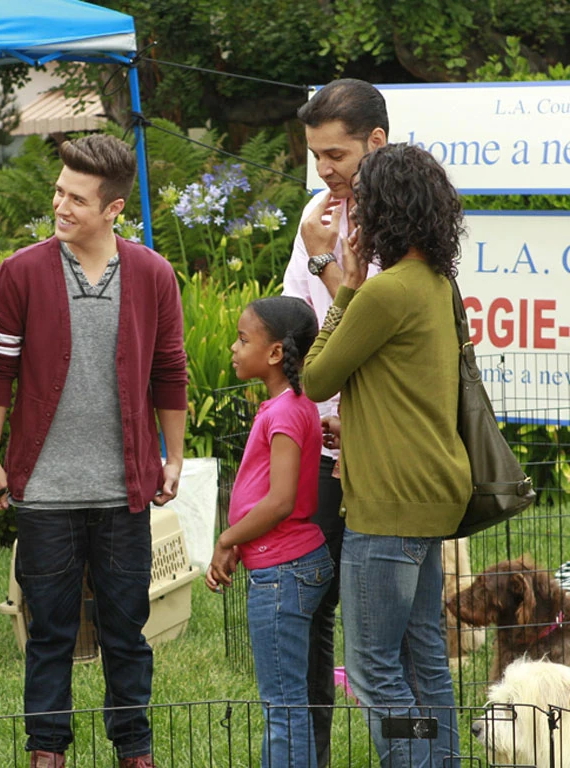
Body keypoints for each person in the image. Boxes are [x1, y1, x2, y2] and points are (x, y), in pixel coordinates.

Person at [0, 134, 188, 768]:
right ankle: (47, 751)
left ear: (114, 208)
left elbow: (170, 371)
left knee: (127, 631)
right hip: (45, 490)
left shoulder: (153, 275)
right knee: (49, 633)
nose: (60, 205)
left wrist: (172, 457)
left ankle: (134, 750)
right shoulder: (21, 272)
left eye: (76, 198)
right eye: (58, 191)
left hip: (126, 491)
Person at [302, 143, 472, 767]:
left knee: (374, 670)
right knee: (424, 658)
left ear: (383, 212)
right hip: (434, 495)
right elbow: (403, 389)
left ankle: (414, 762)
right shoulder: (437, 285)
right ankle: (439, 761)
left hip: (387, 505)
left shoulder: (384, 293)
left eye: (362, 205)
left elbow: (316, 377)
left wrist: (345, 284)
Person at [281, 77, 388, 768]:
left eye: (336, 154)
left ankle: (408, 753)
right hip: (319, 446)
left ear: (376, 142)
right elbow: (301, 321)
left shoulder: (405, 213)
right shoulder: (317, 214)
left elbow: (376, 324)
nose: (323, 169)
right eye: (315, 155)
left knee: (383, 631)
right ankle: (310, 754)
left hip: (382, 449)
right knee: (310, 610)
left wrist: (325, 262)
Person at [206, 296, 332, 768]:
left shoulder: (284, 412)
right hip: (290, 564)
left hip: (283, 573)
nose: (234, 348)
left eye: (243, 339)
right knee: (286, 702)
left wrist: (227, 538)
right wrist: (242, 540)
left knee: (283, 706)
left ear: (276, 352)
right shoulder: (291, 405)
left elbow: (280, 501)